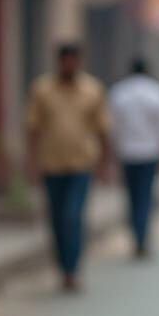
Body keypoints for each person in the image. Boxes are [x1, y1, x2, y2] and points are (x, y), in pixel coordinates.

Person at [25, 43, 110, 293]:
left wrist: (105, 163)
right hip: (51, 165)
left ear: (79, 62)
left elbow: (103, 130)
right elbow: (33, 128)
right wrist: (31, 162)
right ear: (59, 62)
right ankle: (62, 266)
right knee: (56, 219)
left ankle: (72, 269)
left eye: (74, 60)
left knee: (73, 217)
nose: (69, 65)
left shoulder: (93, 90)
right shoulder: (42, 90)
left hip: (81, 165)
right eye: (65, 61)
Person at [108, 58, 159, 259]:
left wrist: (113, 154)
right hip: (150, 152)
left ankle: (137, 236)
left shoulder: (118, 93)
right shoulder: (158, 92)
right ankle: (142, 238)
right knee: (146, 196)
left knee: (131, 196)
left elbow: (113, 127)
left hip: (127, 152)